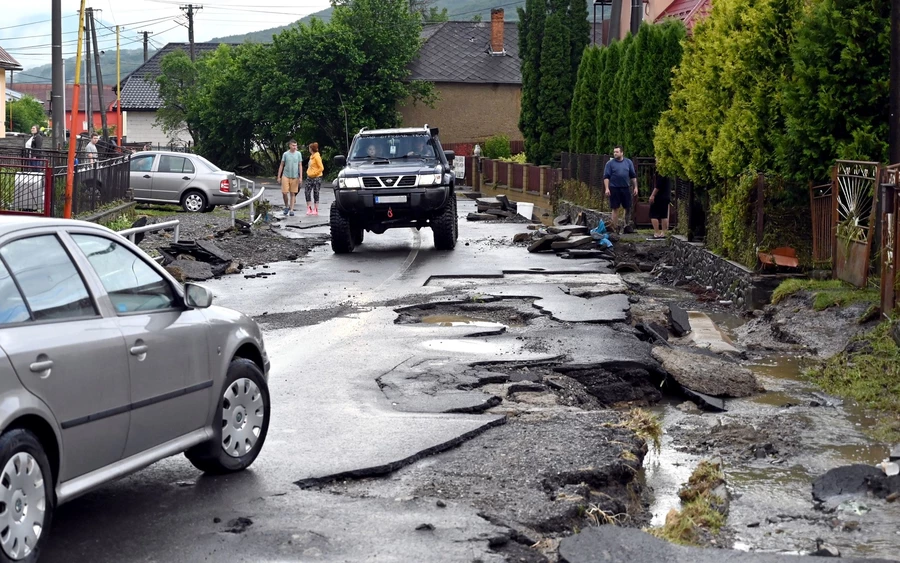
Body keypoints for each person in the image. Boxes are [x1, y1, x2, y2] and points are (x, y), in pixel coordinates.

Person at [603, 145, 638, 234]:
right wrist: (607, 188)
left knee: (628, 207)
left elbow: (633, 176)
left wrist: (635, 187)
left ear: (622, 153)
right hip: (614, 188)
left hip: (625, 188)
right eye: (614, 152)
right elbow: (606, 177)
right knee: (615, 208)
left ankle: (626, 226)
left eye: (617, 152)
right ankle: (614, 227)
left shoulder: (628, 162)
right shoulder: (610, 164)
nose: (615, 153)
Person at [276, 139, 303, 216]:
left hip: (295, 176)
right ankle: (286, 206)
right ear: (290, 145)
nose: (295, 147)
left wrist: (301, 177)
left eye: (296, 145)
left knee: (293, 193)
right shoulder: (285, 154)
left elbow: (300, 165)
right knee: (284, 192)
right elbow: (281, 165)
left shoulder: (298, 154)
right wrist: (279, 176)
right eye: (293, 145)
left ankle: (291, 209)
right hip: (286, 175)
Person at [304, 142, 324, 216]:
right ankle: (309, 208)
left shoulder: (317, 157)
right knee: (307, 191)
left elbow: (321, 167)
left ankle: (316, 208)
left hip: (317, 177)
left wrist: (315, 173)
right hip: (309, 177)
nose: (308, 149)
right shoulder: (311, 156)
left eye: (309, 148)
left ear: (311, 149)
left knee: (316, 192)